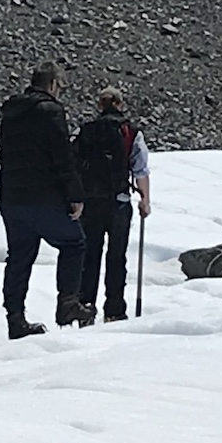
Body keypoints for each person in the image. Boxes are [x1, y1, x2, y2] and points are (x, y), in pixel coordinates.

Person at [0, 60, 87, 337]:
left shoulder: (10, 112)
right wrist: (75, 195)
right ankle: (68, 303)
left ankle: (15, 317)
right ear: (53, 84)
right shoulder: (50, 111)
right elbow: (62, 156)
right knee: (74, 243)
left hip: (11, 195)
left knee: (20, 256)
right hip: (43, 195)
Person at [71, 89, 152, 324]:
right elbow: (140, 168)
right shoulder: (130, 132)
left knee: (90, 255)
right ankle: (114, 309)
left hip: (91, 202)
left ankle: (86, 306)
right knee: (116, 257)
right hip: (119, 201)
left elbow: (74, 164)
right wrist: (145, 199)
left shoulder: (87, 130)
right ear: (119, 104)